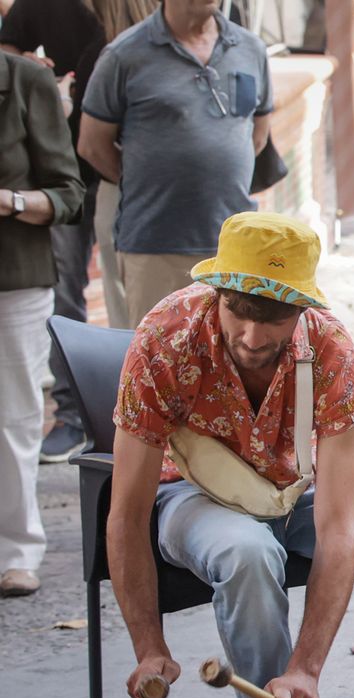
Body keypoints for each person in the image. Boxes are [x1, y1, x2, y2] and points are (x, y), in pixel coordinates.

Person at [108, 212, 354, 698]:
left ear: (302, 309)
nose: (251, 337)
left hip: (295, 486)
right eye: (239, 312)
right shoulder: (164, 339)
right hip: (191, 492)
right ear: (218, 291)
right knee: (248, 553)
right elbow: (127, 514)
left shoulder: (332, 353)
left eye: (273, 318)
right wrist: (148, 647)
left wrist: (306, 670)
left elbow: (338, 526)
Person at [78, 0, 272, 329]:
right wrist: (150, 180)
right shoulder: (124, 54)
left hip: (233, 246)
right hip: (154, 245)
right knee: (157, 365)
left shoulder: (250, 48)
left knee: (233, 364)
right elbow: (92, 145)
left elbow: (258, 135)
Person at [0, 0, 105, 463]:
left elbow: (68, 193)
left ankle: (91, 418)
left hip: (115, 171)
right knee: (68, 294)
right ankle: (72, 414)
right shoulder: (34, 8)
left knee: (84, 302)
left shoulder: (124, 9)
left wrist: (13, 201)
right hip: (73, 159)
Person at [0, 49, 85, 598]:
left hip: (14, 280)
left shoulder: (24, 79)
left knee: (13, 419)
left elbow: (69, 194)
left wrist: (7, 200)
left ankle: (17, 552)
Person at [79, 0, 158, 333]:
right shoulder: (118, 57)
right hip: (128, 197)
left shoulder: (110, 56)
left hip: (123, 196)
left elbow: (88, 145)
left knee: (127, 322)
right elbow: (92, 145)